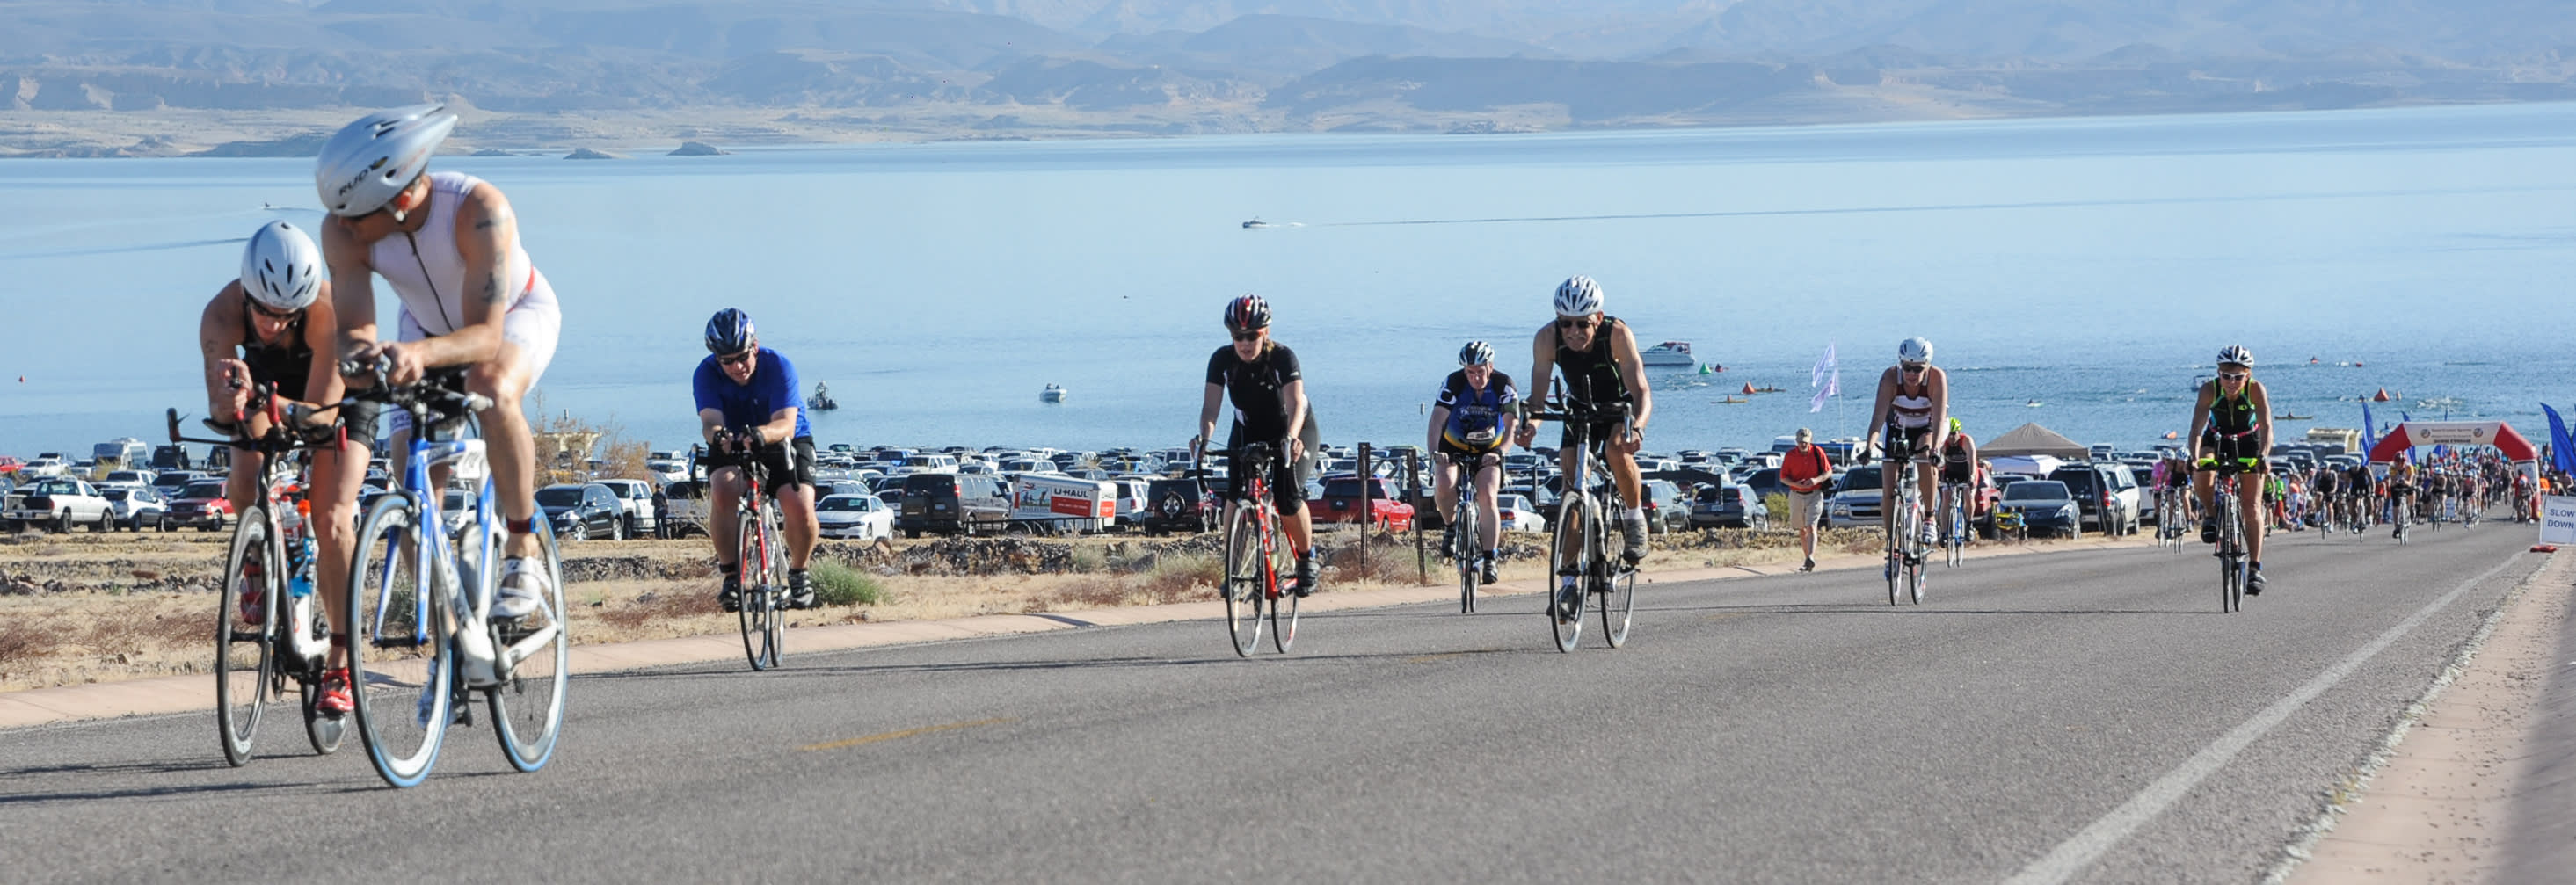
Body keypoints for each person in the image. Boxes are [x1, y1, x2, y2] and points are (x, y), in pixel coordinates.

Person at [317, 103, 564, 637]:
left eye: (356, 218)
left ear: (402, 198)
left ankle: (523, 550)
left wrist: (418, 358)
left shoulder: (477, 210)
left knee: (492, 387)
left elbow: (486, 337)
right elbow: (355, 328)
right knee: (412, 485)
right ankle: (452, 647)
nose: (344, 230)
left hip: (514, 316)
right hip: (423, 330)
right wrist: (359, 360)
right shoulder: (341, 231)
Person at [196, 221, 364, 715]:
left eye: (285, 315)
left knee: (330, 519)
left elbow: (320, 415)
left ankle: (341, 663)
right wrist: (235, 399)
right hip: (268, 384)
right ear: (247, 295)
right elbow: (223, 410)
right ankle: (257, 556)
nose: (270, 324)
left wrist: (270, 404)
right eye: (263, 312)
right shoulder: (221, 315)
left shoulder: (327, 313)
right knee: (242, 481)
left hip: (340, 398)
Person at [1515, 275, 1655, 575]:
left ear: (1598, 319)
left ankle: (1633, 518)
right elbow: (1537, 400)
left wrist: (1639, 427)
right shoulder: (1545, 339)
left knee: (1617, 451)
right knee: (1570, 486)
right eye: (1566, 323)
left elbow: (1642, 390)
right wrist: (1531, 427)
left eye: (1583, 324)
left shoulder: (1616, 334)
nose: (1574, 332)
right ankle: (1567, 581)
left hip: (1618, 404)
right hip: (1579, 407)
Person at [694, 308, 821, 611]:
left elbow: (786, 423)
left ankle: (799, 573)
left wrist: (762, 435)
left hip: (782, 438)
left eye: (742, 357)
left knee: (800, 504)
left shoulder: (779, 367)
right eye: (727, 361)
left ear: (755, 346)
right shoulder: (705, 373)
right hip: (735, 440)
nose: (737, 367)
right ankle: (731, 577)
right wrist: (720, 437)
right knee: (723, 490)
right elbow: (710, 420)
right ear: (716, 358)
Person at [1195, 294, 1321, 596]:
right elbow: (1210, 409)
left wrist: (1291, 437)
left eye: (1251, 335)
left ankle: (1306, 560)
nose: (1245, 342)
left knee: (1287, 496)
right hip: (1247, 429)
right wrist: (1203, 440)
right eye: (1238, 336)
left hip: (1292, 427)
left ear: (1265, 333)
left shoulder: (1282, 358)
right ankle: (1234, 568)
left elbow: (1294, 404)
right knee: (1235, 496)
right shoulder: (1222, 360)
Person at [1426, 340, 1519, 585]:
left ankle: (1490, 559)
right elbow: (1436, 420)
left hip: (1489, 450)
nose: (1475, 377)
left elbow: (1511, 425)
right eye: (1470, 372)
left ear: (1490, 367)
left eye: (1480, 371)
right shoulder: (1454, 382)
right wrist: (1434, 452)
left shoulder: (1503, 384)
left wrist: (1501, 451)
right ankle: (1450, 526)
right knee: (1444, 483)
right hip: (1453, 446)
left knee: (1488, 495)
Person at [2189, 345, 2271, 593]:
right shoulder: (2209, 390)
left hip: (2249, 440)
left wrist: (2264, 456)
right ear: (2218, 373)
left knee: (2251, 506)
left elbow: (2267, 425)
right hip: (2218, 437)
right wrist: (2193, 457)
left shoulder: (2255, 389)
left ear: (2248, 375)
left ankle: (2255, 569)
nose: (2232, 382)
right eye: (2226, 376)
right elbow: (2196, 429)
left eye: (2238, 376)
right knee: (2203, 466)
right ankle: (2211, 514)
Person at [1865, 337, 1948, 548]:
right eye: (1907, 367)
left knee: (1925, 455)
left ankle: (1929, 517)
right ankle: (1892, 540)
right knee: (1888, 487)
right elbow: (1877, 417)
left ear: (1927, 366)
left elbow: (1938, 419)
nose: (1912, 374)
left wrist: (1936, 449)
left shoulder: (1937, 378)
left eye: (1918, 369)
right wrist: (1868, 448)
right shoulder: (1890, 377)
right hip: (1898, 427)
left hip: (1928, 427)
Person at [1779, 427, 1834, 572]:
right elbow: (1783, 477)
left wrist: (1816, 480)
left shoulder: (1817, 452)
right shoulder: (1790, 455)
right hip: (1796, 494)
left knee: (1811, 527)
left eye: (1805, 442)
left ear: (1810, 441)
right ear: (1797, 442)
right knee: (1802, 529)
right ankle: (1807, 560)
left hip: (1814, 494)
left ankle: (1811, 556)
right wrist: (1795, 484)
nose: (1803, 445)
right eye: (1800, 442)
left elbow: (1828, 471)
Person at [1936, 417, 1979, 543]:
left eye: (1954, 434)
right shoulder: (1944, 443)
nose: (1951, 437)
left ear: (1959, 432)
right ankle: (1944, 533)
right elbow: (1938, 461)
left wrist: (1971, 477)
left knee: (1968, 494)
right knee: (1946, 497)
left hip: (1967, 472)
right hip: (1951, 472)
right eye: (1949, 434)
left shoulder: (1966, 441)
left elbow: (1972, 461)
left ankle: (1970, 525)